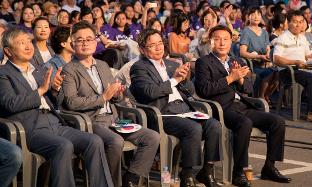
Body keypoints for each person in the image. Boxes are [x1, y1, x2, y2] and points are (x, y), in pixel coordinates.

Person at [0, 28, 113, 187]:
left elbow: (57, 102)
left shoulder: (39, 71)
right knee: (63, 146)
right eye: (21, 43)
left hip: (55, 123)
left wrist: (55, 89)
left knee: (94, 141)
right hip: (29, 129)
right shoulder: (3, 73)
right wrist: (40, 91)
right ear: (8, 51)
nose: (28, 46)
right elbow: (9, 104)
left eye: (29, 42)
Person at [62, 21, 160, 187]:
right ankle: (111, 183)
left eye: (89, 39)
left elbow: (115, 98)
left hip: (114, 120)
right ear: (73, 44)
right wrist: (104, 97)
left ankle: (131, 179)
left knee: (152, 137)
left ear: (96, 41)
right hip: (91, 121)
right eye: (80, 40)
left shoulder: (103, 65)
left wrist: (117, 94)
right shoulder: (69, 70)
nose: (85, 43)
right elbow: (72, 102)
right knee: (115, 142)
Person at [195, 25, 290, 186]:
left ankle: (269, 166)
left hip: (242, 106)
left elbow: (248, 89)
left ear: (231, 42)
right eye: (217, 39)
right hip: (221, 108)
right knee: (244, 123)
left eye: (225, 39)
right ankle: (238, 171)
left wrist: (239, 80)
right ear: (211, 42)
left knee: (277, 121)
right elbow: (204, 90)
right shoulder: (203, 62)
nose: (222, 43)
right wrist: (230, 78)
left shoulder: (235, 60)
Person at [130, 28, 222, 187]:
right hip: (162, 114)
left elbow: (190, 91)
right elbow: (149, 92)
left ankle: (206, 170)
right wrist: (174, 80)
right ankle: (187, 175)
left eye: (160, 43)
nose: (159, 47)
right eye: (152, 45)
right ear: (143, 49)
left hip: (184, 110)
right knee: (193, 128)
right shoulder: (139, 67)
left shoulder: (171, 64)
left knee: (214, 125)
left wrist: (185, 79)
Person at [273, 10, 312, 123]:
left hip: (303, 68)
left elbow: (308, 56)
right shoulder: (283, 38)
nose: (298, 25)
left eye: (301, 22)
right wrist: (295, 62)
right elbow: (276, 59)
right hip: (288, 70)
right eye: (295, 22)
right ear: (289, 22)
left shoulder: (302, 38)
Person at [239, 7, 272, 95]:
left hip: (264, 64)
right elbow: (242, 52)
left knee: (276, 73)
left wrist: (268, 54)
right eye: (253, 14)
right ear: (248, 17)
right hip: (251, 65)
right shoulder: (246, 31)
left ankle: (264, 96)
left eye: (258, 14)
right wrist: (259, 56)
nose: (256, 17)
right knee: (268, 74)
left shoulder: (264, 32)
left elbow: (268, 48)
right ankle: (260, 97)